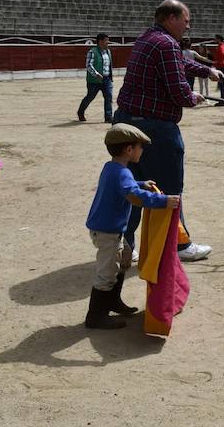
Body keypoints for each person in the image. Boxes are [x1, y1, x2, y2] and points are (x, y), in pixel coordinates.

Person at [113, 0, 220, 262]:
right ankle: (179, 245)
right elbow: (180, 92)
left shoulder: (147, 39)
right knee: (170, 187)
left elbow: (179, 65)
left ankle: (124, 244)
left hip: (127, 124)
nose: (188, 26)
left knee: (134, 187)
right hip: (154, 128)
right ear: (171, 18)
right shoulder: (167, 44)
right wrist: (195, 97)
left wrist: (207, 71)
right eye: (186, 20)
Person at [84, 124, 178, 329]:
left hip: (110, 229)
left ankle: (113, 301)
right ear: (129, 150)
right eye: (140, 147)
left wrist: (141, 183)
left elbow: (127, 185)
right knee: (107, 273)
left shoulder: (113, 167)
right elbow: (133, 196)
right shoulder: (122, 174)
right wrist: (163, 201)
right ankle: (95, 317)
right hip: (108, 232)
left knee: (125, 259)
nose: (142, 151)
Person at [77, 33, 114, 123]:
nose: (108, 42)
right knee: (90, 97)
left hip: (106, 79)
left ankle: (108, 117)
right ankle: (80, 112)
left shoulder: (108, 51)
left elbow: (109, 66)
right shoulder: (92, 52)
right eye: (106, 41)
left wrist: (110, 76)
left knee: (108, 96)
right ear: (100, 41)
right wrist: (96, 74)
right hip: (94, 80)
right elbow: (88, 65)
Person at [213, 34, 224, 105]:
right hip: (223, 66)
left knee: (221, 84)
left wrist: (218, 61)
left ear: (218, 39)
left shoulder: (221, 46)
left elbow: (222, 53)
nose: (214, 40)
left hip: (221, 67)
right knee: (221, 83)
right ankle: (223, 100)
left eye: (215, 39)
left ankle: (223, 101)